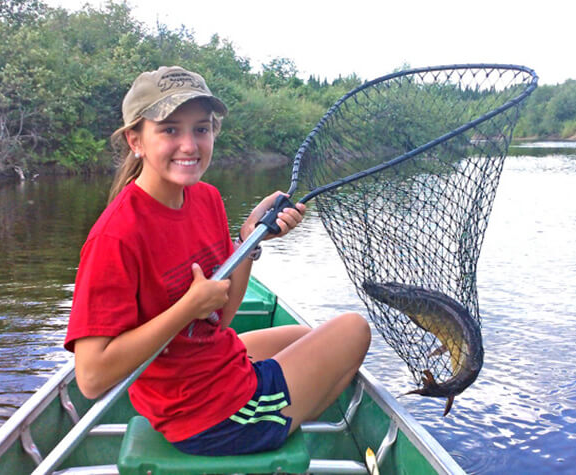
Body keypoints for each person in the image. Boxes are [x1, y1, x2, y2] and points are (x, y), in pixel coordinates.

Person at [64, 66, 371, 456]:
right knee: (353, 330)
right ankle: (261, 424)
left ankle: (270, 395)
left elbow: (218, 320)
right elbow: (91, 378)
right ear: (135, 140)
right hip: (205, 416)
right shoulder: (116, 236)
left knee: (302, 336)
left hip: (200, 367)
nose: (190, 145)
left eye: (201, 128)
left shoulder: (205, 199)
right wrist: (187, 307)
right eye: (170, 129)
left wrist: (248, 241)